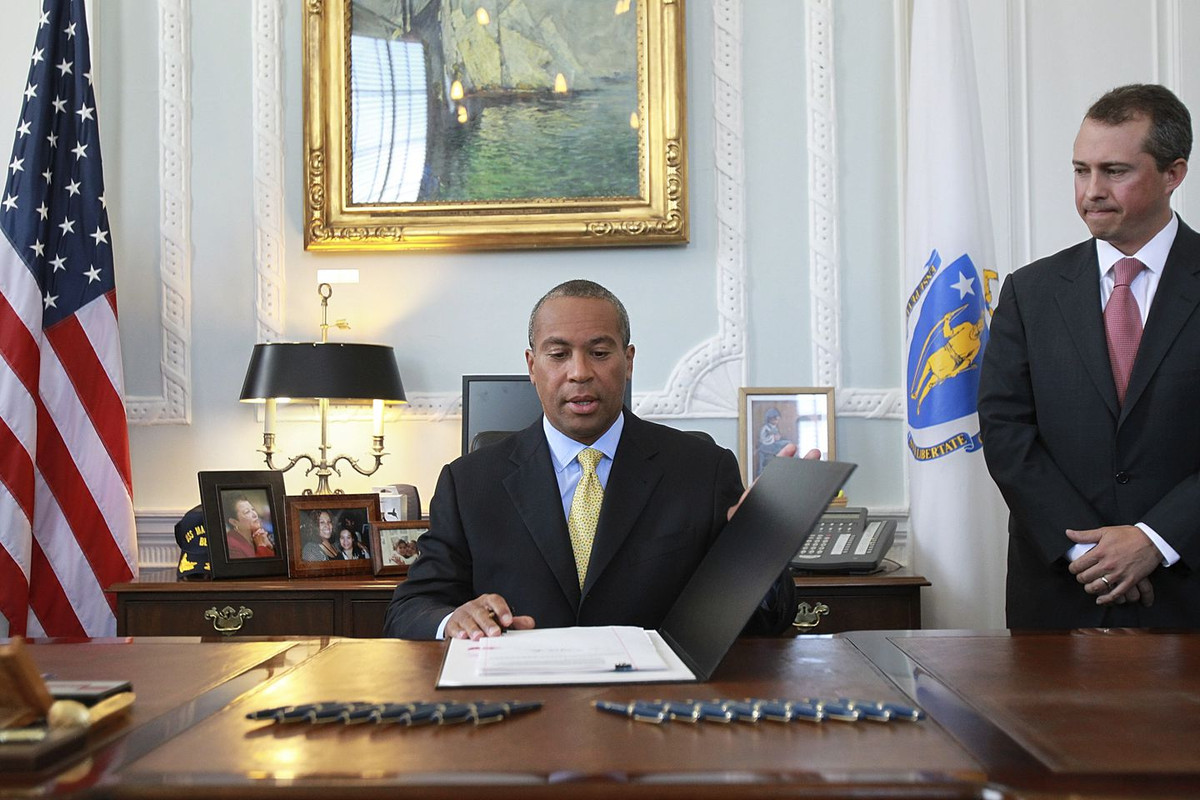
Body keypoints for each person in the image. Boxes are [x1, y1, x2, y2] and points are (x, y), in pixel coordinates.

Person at [384, 279, 812, 640]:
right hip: (517, 710)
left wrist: (760, 549)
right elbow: (410, 609)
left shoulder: (702, 468)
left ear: (628, 361)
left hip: (656, 711)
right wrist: (452, 620)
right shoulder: (470, 482)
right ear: (532, 366)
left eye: (600, 352)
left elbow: (769, 622)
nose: (580, 372)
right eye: (558, 354)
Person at [978, 83, 1200, 629]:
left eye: (1115, 171)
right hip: (1061, 589)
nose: (1091, 191)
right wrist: (1090, 552)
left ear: (1173, 174)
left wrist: (1155, 539)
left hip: (1187, 589)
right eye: (1081, 170)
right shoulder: (1029, 292)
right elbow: (1007, 431)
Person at [224, 495, 274, 559]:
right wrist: (261, 546)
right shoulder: (231, 546)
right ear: (234, 522)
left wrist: (270, 547)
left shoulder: (258, 535)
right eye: (247, 512)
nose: (255, 514)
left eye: (253, 509)